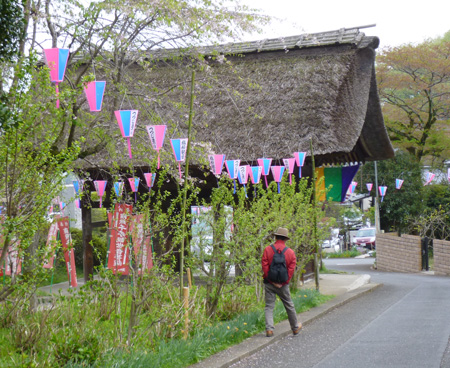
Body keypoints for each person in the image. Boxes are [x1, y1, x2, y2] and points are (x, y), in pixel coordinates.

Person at [261, 227, 302, 337]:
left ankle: (269, 329)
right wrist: (283, 283)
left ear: (275, 237)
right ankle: (295, 327)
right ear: (285, 239)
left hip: (269, 283)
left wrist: (270, 280)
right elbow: (291, 269)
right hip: (283, 285)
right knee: (289, 305)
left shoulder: (267, 250)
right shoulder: (290, 253)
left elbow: (264, 266)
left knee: (269, 306)